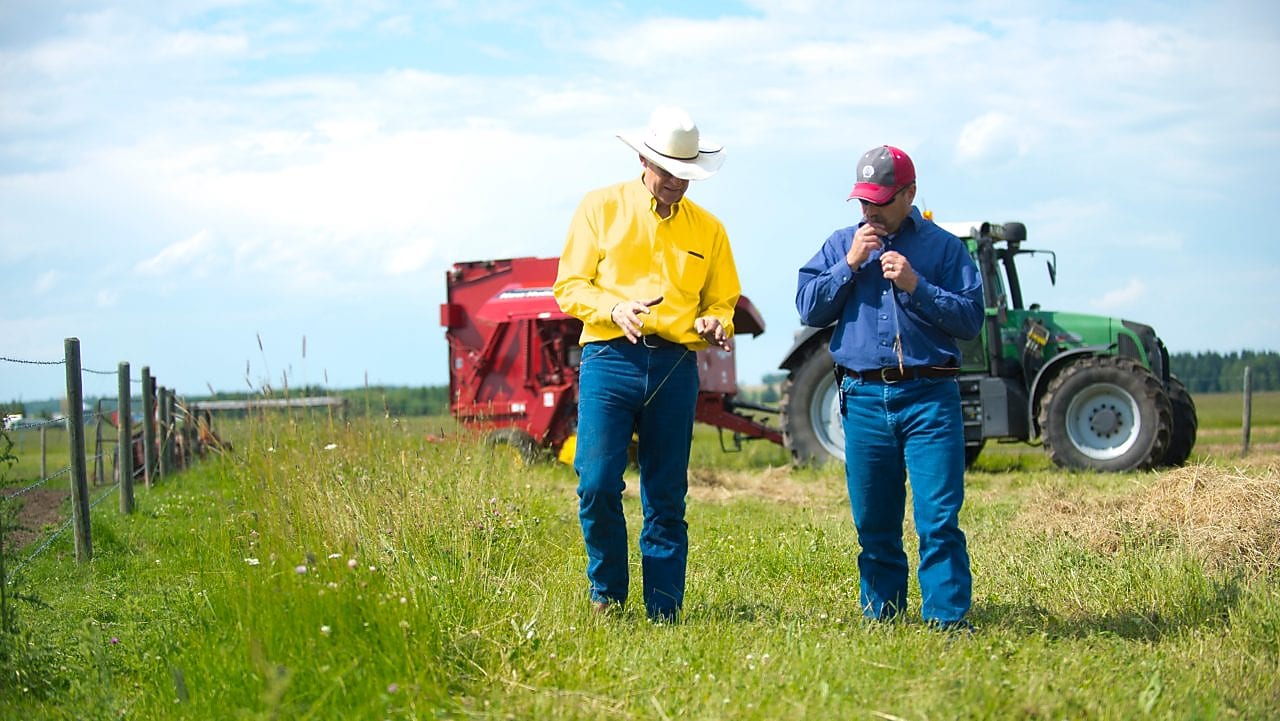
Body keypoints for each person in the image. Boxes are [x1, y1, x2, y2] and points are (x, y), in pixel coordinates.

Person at [553, 106, 741, 622]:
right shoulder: (600, 208)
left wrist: (714, 322)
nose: (677, 184)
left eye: (686, 175)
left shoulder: (710, 230)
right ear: (643, 159)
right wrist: (613, 308)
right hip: (609, 358)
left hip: (675, 367)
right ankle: (607, 597)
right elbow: (569, 286)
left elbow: (722, 301)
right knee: (595, 483)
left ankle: (664, 610)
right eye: (668, 173)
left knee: (665, 493)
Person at [794, 145, 983, 631]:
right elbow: (808, 308)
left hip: (929, 399)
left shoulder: (944, 249)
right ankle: (883, 618)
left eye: (880, 200)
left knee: (938, 520)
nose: (869, 211)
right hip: (863, 400)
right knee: (874, 524)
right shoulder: (841, 245)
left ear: (910, 194)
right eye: (863, 201)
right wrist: (849, 265)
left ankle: (947, 622)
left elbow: (970, 319)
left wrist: (917, 284)